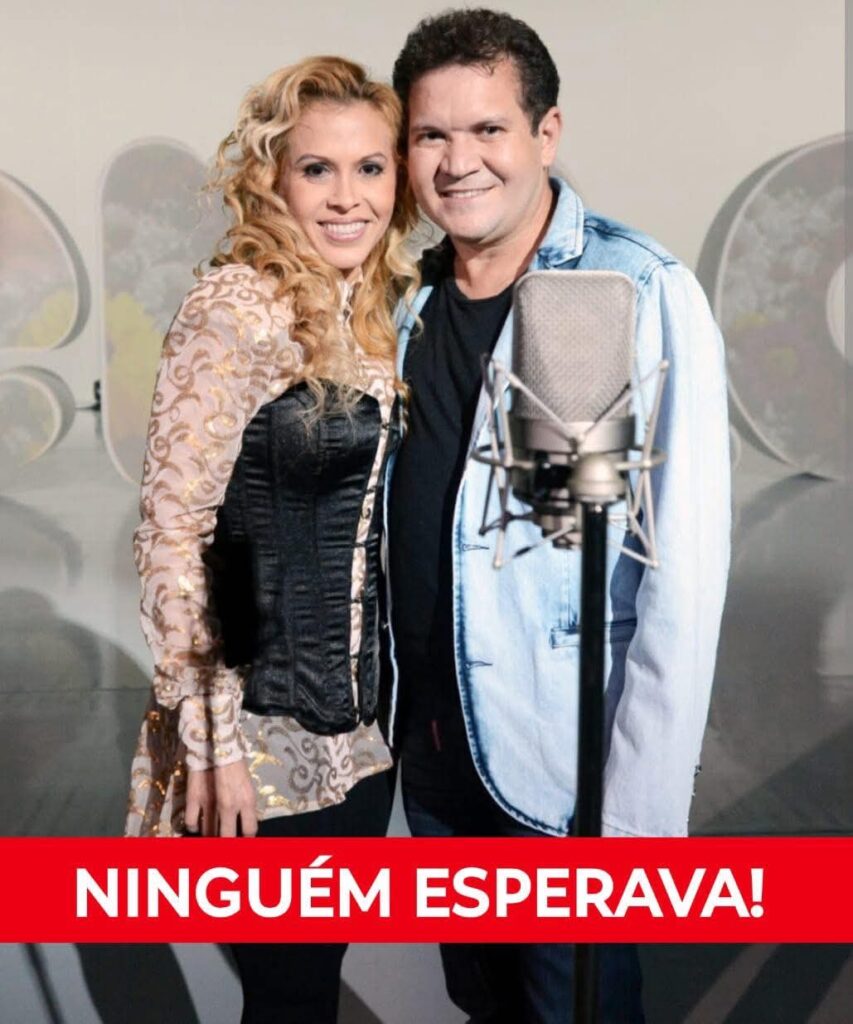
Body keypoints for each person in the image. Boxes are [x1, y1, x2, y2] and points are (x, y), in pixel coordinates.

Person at [385, 9, 731, 1023]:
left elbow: (683, 572)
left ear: (546, 134)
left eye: (487, 129)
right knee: (484, 1006)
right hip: (437, 751)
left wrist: (634, 825)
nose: (458, 162)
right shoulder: (404, 301)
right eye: (430, 134)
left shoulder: (628, 287)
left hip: (563, 771)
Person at [124, 56, 418, 1023]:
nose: (346, 198)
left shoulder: (372, 308)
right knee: (287, 997)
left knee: (305, 989)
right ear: (272, 177)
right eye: (316, 169)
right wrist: (213, 744)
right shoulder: (235, 308)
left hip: (360, 740)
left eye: (369, 168)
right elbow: (174, 533)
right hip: (257, 736)